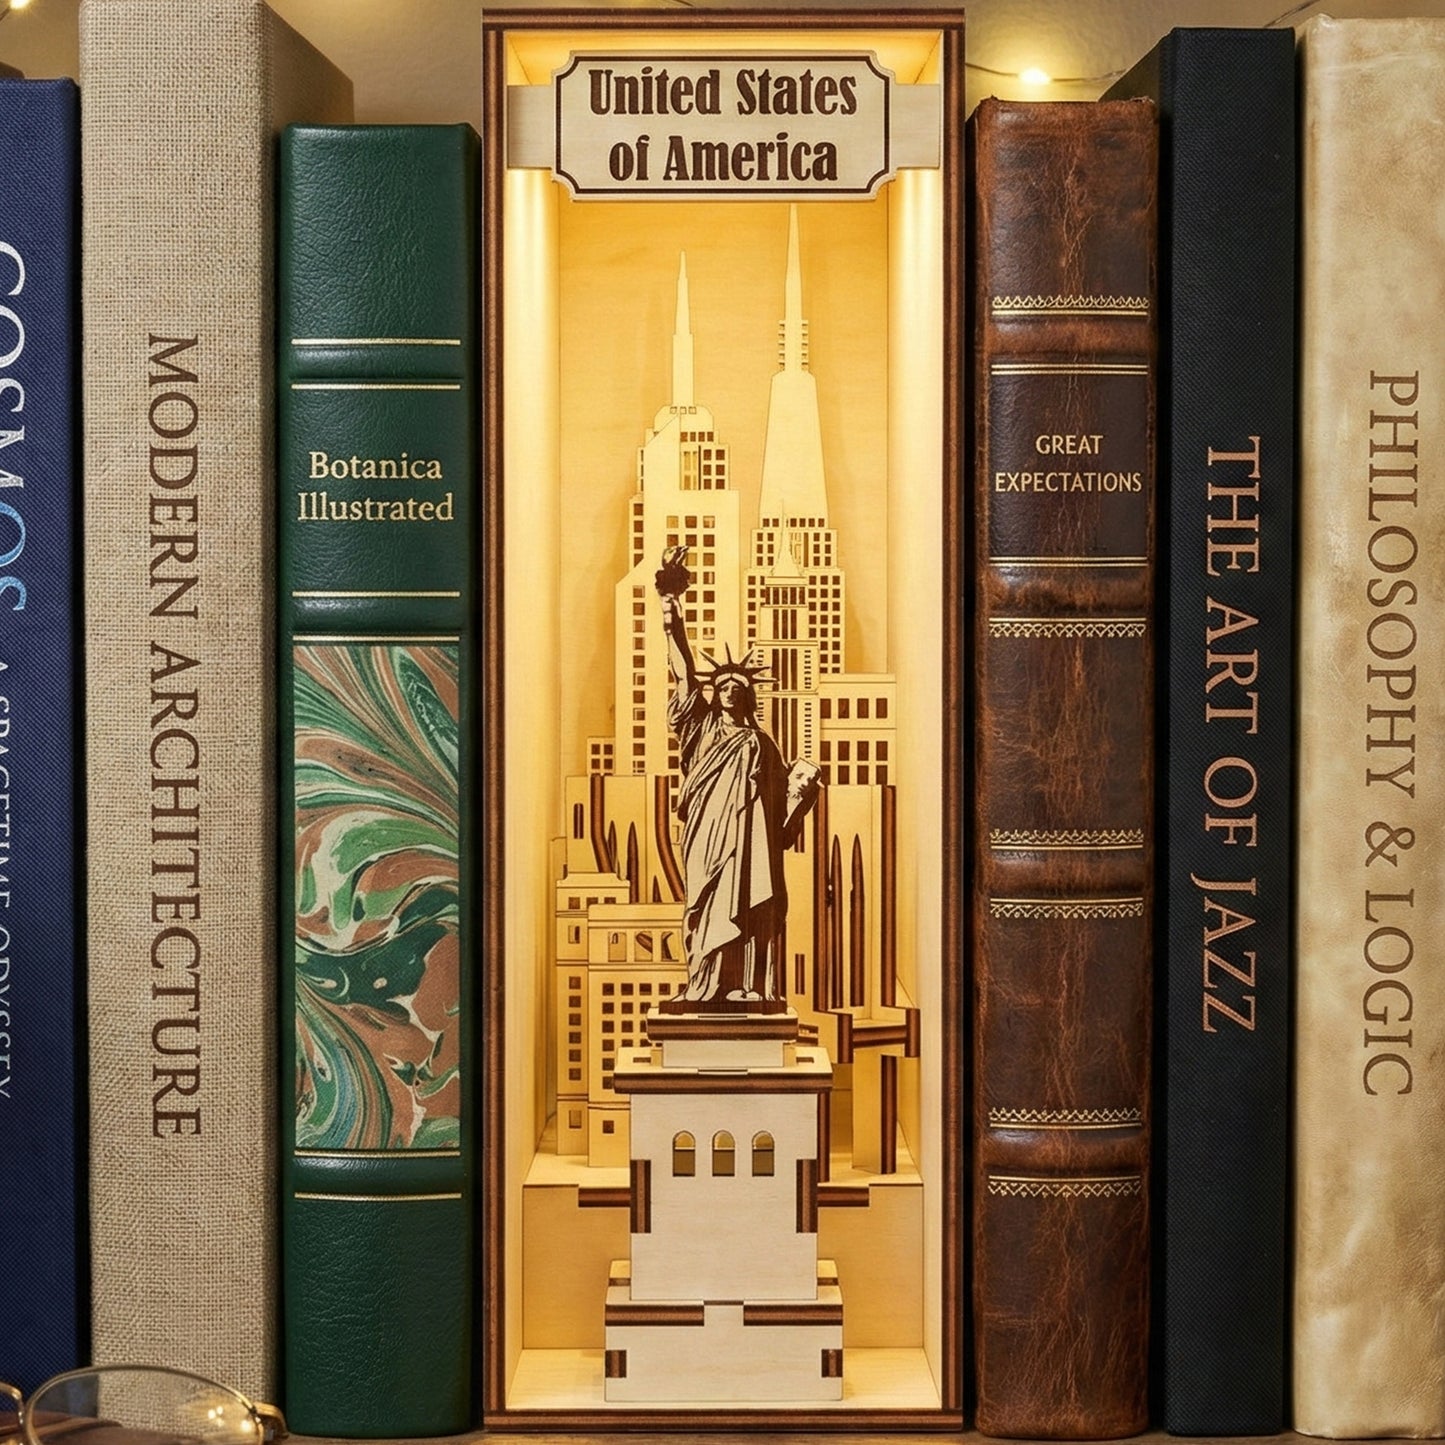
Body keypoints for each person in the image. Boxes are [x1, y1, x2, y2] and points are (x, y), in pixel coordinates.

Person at [655, 546, 819, 1011]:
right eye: (722, 686)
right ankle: (702, 986)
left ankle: (747, 988)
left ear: (747, 697)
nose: (728, 691)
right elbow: (682, 669)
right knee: (704, 903)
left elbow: (781, 817)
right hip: (706, 836)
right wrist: (670, 605)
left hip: (751, 844)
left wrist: (803, 795)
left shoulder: (762, 744)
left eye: (737, 688)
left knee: (750, 902)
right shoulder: (701, 726)